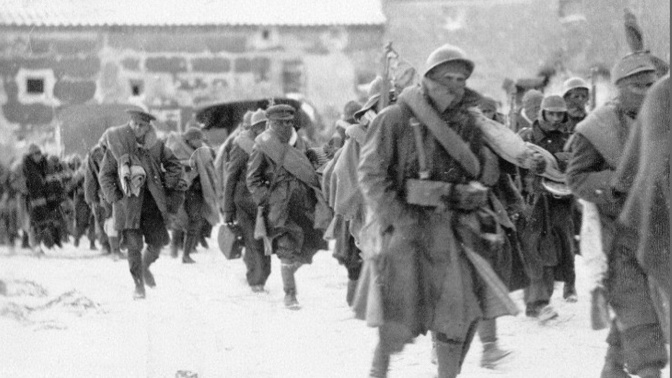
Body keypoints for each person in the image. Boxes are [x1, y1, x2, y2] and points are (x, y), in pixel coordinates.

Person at [357, 44, 550, 378]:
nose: (456, 85)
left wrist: (498, 170)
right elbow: (371, 175)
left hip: (455, 231)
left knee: (456, 316)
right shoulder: (395, 118)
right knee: (396, 318)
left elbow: (488, 173)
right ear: (428, 80)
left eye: (461, 79)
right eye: (448, 77)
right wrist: (401, 220)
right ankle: (379, 371)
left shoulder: (469, 124)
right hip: (407, 230)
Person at [566, 53, 667, 378]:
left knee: (647, 308)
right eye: (639, 86)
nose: (648, 92)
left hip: (661, 230)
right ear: (620, 88)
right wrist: (623, 183)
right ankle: (649, 371)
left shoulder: (664, 117)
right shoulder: (596, 127)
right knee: (639, 310)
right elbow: (576, 178)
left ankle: (613, 367)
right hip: (619, 234)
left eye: (653, 85)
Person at [246, 104, 330, 309]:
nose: (284, 126)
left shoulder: (301, 142)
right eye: (279, 122)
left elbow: (312, 164)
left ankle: (289, 271)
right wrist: (267, 198)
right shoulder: (263, 145)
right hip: (279, 207)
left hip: (304, 203)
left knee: (312, 242)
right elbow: (253, 179)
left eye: (288, 122)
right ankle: (289, 294)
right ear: (270, 123)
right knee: (286, 247)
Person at [99, 109, 182, 299]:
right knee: (133, 247)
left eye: (142, 125)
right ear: (130, 123)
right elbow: (105, 175)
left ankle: (144, 267)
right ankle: (138, 285)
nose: (137, 128)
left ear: (148, 127)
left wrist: (167, 183)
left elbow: (174, 165)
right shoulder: (117, 145)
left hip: (151, 204)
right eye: (135, 124)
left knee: (158, 242)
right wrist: (114, 197)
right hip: (127, 205)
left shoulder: (156, 146)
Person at [613, 74, 669, 344]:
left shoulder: (660, 93)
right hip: (650, 217)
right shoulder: (663, 94)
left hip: (647, 215)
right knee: (636, 296)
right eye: (638, 84)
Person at [518, 95, 577, 321]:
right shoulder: (526, 136)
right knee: (533, 251)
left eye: (559, 114)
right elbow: (513, 163)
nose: (555, 119)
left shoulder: (568, 138)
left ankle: (545, 300)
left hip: (560, 202)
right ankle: (537, 302)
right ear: (541, 113)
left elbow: (579, 160)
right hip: (532, 202)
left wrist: (564, 158)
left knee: (558, 249)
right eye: (550, 113)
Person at [223, 109, 270, 292]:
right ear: (254, 127)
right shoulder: (242, 145)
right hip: (243, 202)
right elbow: (231, 177)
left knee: (262, 241)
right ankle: (255, 280)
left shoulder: (268, 144)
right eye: (261, 126)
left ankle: (260, 276)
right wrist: (227, 210)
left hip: (262, 202)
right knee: (253, 241)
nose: (265, 129)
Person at [165, 127, 219, 263]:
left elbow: (208, 167)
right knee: (180, 220)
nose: (201, 142)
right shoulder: (177, 148)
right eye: (198, 139)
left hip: (197, 190)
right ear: (191, 139)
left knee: (196, 221)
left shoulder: (202, 151)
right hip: (181, 190)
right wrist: (191, 168)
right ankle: (174, 247)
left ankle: (186, 254)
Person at [85, 141, 123, 260]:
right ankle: (113, 248)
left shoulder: (94, 154)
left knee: (105, 220)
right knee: (109, 219)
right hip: (106, 192)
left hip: (102, 192)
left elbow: (90, 179)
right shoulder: (104, 154)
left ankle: (109, 246)